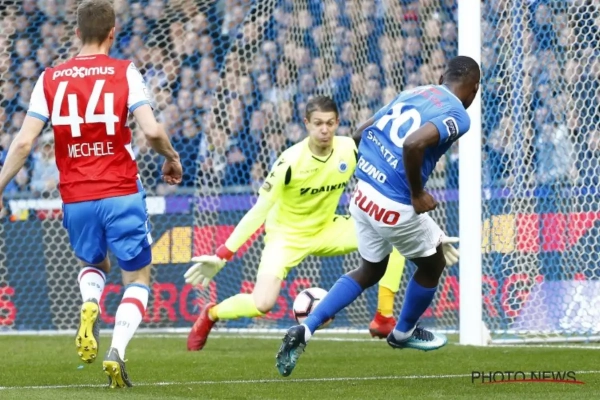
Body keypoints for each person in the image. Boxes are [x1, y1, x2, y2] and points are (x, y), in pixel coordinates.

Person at [0, 0, 182, 388]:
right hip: (120, 190)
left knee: (95, 264)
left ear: (77, 32)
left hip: (76, 196)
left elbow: (24, 143)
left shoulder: (49, 78)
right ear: (113, 32)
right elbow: (151, 131)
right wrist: (172, 157)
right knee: (138, 275)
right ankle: (116, 351)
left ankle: (90, 303)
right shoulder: (124, 71)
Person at [275, 55, 480, 377]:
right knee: (433, 264)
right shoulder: (458, 115)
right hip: (394, 202)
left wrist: (369, 171)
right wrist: (417, 193)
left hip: (363, 192)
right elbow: (413, 144)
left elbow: (362, 131)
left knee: (370, 270)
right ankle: (403, 332)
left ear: (442, 77)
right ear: (475, 88)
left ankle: (307, 328)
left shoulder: (415, 91)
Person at [184, 95, 410, 351]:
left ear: (337, 123)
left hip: (327, 228)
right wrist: (222, 255)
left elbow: (384, 179)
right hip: (286, 238)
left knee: (393, 236)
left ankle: (383, 317)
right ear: (307, 124)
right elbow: (258, 211)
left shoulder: (349, 149)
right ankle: (212, 313)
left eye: (329, 123)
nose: (324, 130)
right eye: (318, 123)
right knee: (262, 303)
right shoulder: (289, 161)